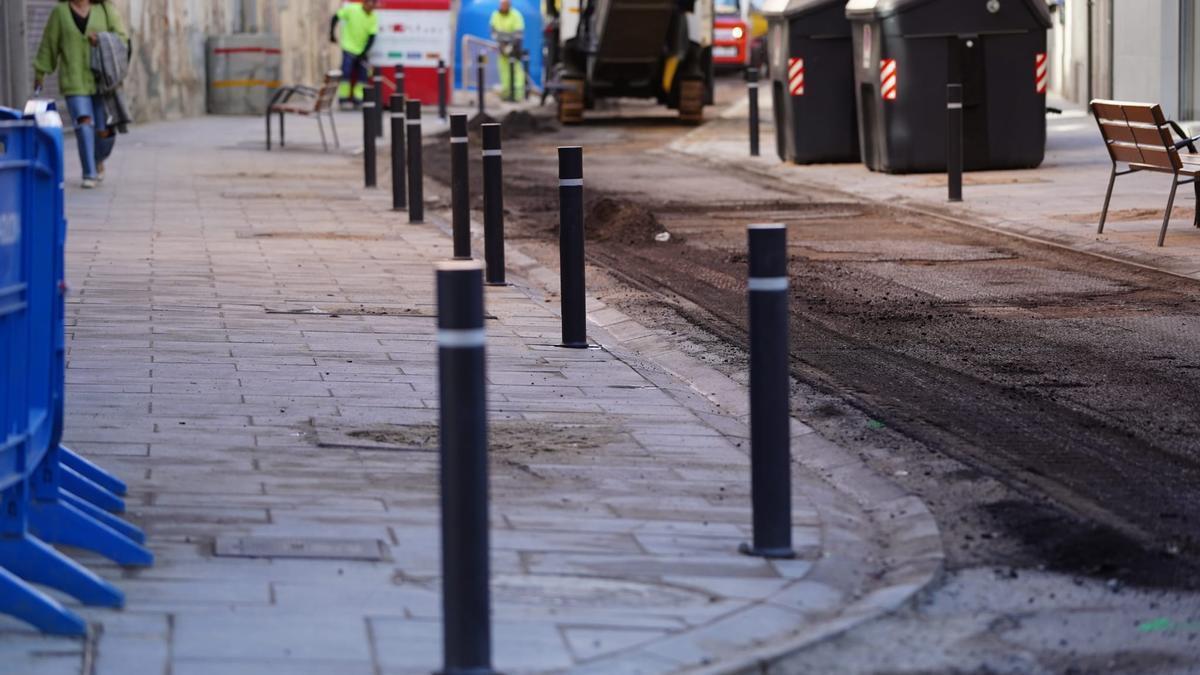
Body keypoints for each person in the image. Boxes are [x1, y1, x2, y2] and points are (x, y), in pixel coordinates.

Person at [33, 0, 128, 189]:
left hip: (102, 81)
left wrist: (101, 39)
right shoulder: (60, 12)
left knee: (104, 131)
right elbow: (49, 44)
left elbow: (122, 39)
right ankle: (89, 172)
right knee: (84, 123)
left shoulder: (105, 10)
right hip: (73, 80)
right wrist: (40, 72)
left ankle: (98, 159)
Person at [330, 0, 379, 109]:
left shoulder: (373, 17)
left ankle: (358, 98)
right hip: (348, 48)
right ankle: (343, 99)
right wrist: (332, 34)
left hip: (361, 50)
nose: (373, 6)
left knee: (363, 75)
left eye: (375, 4)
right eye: (372, 3)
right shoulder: (352, 9)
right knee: (346, 73)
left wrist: (364, 52)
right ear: (365, 3)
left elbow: (372, 37)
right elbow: (335, 17)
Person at [490, 0, 525, 101]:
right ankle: (506, 94)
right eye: (502, 4)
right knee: (504, 71)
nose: (503, 6)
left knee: (517, 71)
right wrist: (503, 42)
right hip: (501, 48)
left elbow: (518, 33)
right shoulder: (495, 15)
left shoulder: (516, 15)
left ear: (509, 5)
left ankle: (517, 95)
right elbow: (494, 32)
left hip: (515, 49)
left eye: (505, 4)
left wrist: (510, 43)